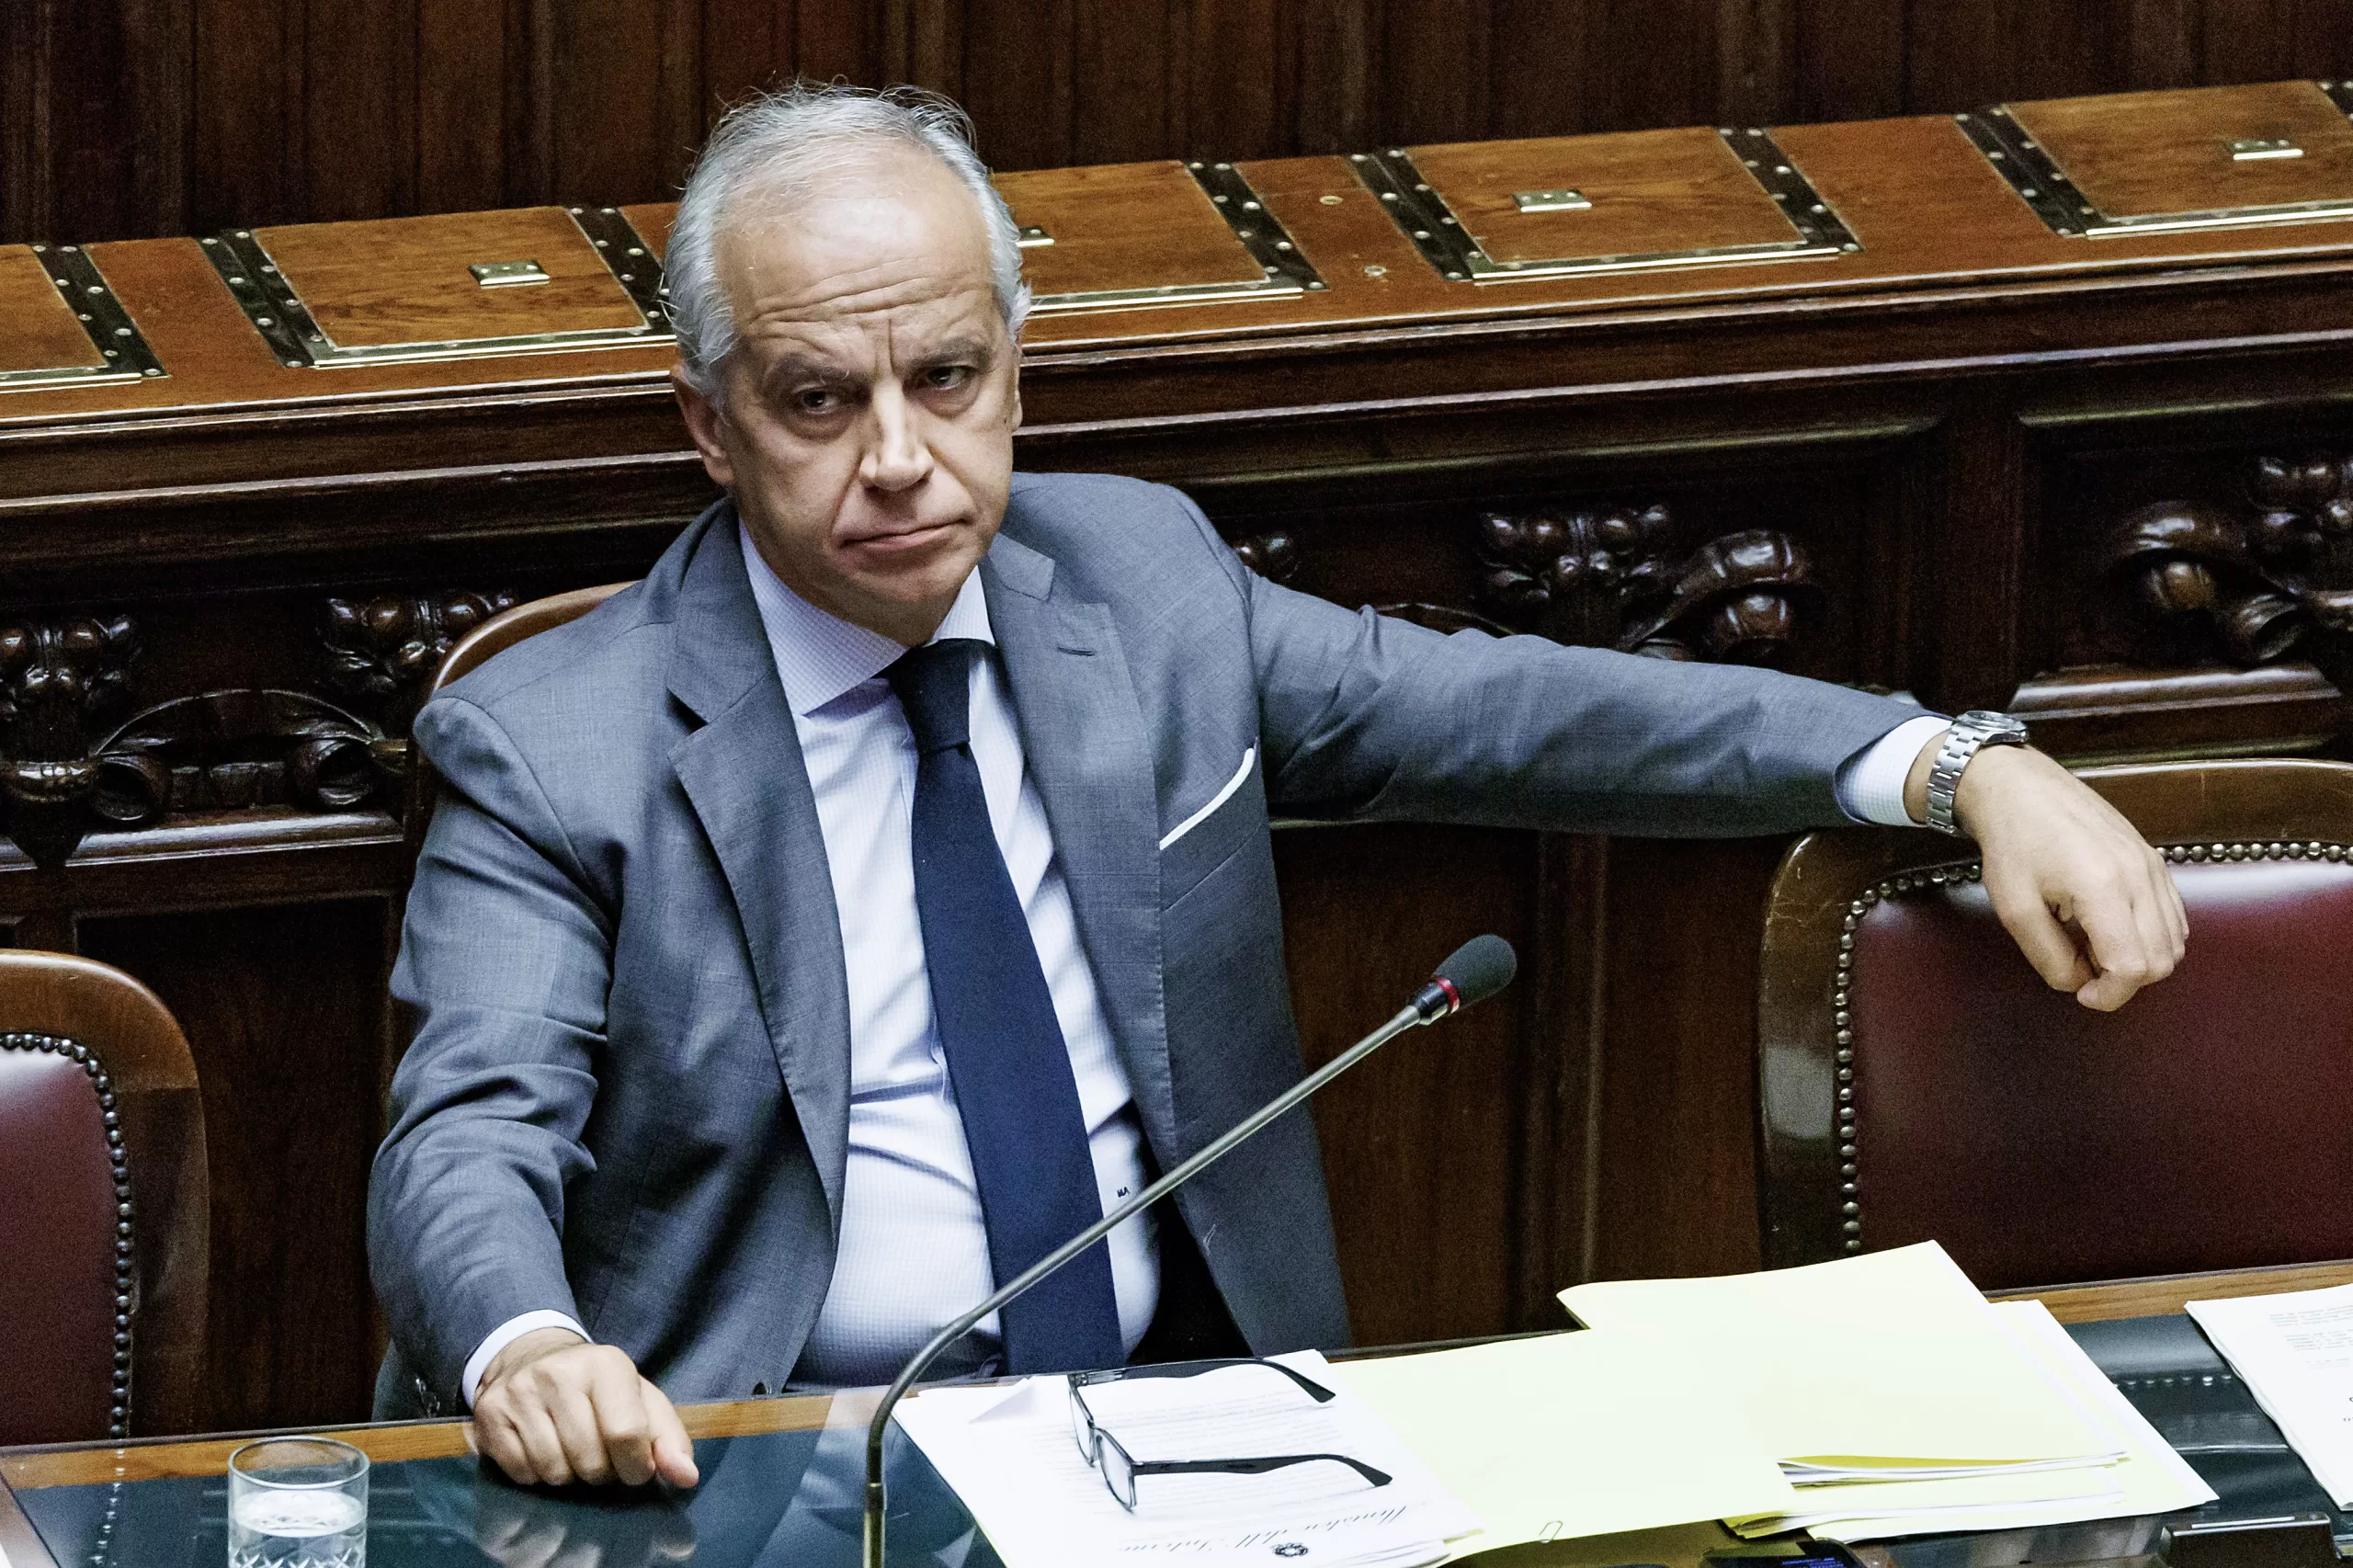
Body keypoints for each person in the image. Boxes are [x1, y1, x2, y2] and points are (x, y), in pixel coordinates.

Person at [368, 83, 2186, 1493]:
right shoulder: (558, 743)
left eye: (947, 377)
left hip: (1181, 1448)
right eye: (819, 401)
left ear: (1017, 368)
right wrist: (529, 1344)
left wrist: (1947, 764)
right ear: (707, 419)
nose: (903, 458)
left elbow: (1523, 714)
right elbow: (466, 1126)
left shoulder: (1143, 590)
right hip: (767, 1464)